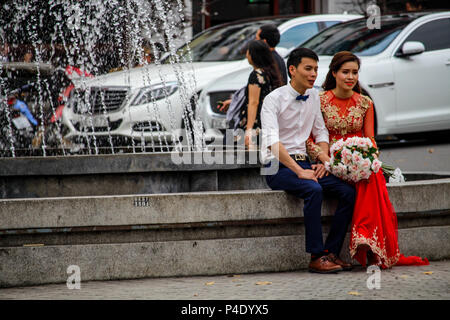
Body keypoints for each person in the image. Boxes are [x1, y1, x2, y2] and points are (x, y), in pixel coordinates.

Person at [306, 51, 429, 269]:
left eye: (354, 72)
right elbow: (309, 139)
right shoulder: (319, 101)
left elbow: (370, 141)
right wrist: (326, 162)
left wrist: (362, 162)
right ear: (334, 73)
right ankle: (354, 241)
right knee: (355, 190)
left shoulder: (365, 103)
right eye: (345, 72)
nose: (350, 77)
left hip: (356, 164)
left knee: (372, 178)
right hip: (327, 162)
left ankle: (366, 238)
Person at [261, 48, 356, 273]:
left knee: (348, 192)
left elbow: (321, 133)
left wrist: (323, 162)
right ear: (292, 70)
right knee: (313, 189)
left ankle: (331, 252)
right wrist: (299, 171)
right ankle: (316, 256)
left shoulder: (314, 96)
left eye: (315, 69)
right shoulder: (273, 99)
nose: (314, 74)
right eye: (308, 68)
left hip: (305, 162)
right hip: (275, 164)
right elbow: (272, 142)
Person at [219, 24, 287, 112]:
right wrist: (234, 102)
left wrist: (250, 125)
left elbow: (254, 101)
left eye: (257, 38)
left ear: (264, 42)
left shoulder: (267, 64)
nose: (254, 41)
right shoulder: (276, 59)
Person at [237, 40, 283, 149]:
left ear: (254, 55)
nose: (246, 55)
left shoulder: (256, 75)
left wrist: (249, 129)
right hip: (268, 120)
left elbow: (254, 102)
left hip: (256, 122)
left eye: (248, 52)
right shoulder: (271, 72)